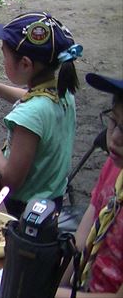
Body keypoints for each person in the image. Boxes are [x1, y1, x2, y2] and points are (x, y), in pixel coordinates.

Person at [0, 11, 83, 218]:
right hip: (51, 202)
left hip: (21, 211)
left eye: (4, 55)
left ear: (25, 64)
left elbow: (9, 181)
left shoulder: (29, 117)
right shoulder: (62, 91)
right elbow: (32, 96)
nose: (3, 60)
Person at [56, 73, 123, 297]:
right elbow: (83, 235)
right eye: (114, 121)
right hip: (81, 285)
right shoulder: (115, 167)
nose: (114, 137)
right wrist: (55, 283)